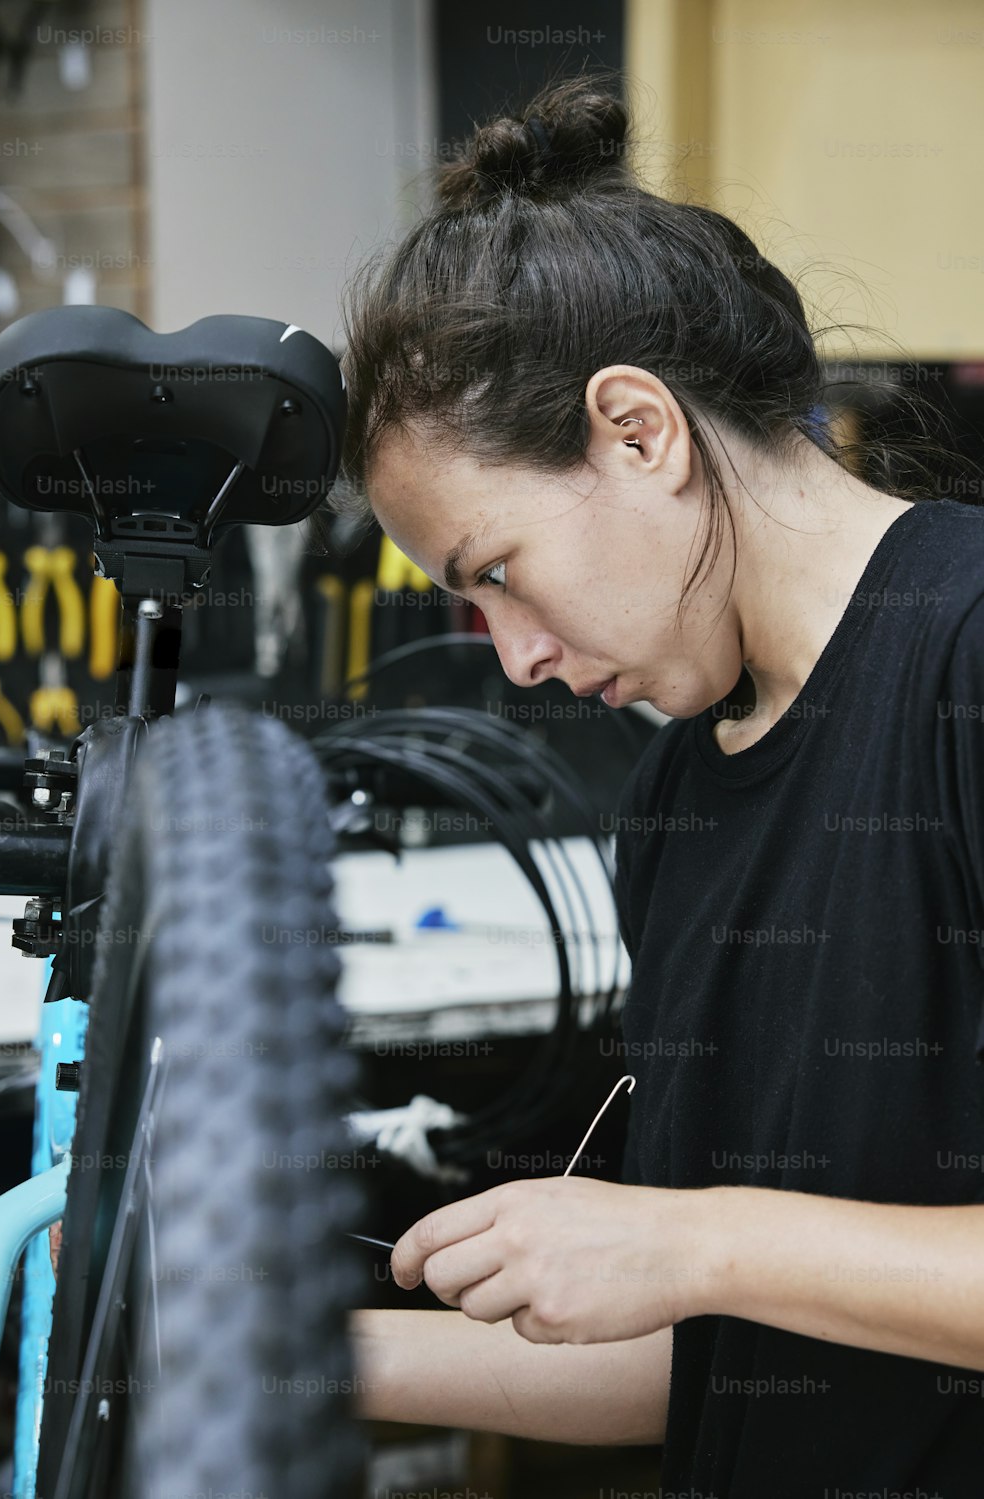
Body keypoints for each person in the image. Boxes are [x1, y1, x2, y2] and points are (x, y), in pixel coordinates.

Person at [337, 73, 984, 1498]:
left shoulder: (964, 663)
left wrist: (692, 1238)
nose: (512, 660)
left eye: (498, 572)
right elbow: (721, 1353)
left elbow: (713, 1262)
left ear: (641, 431)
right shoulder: (676, 804)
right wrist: (267, 1351)